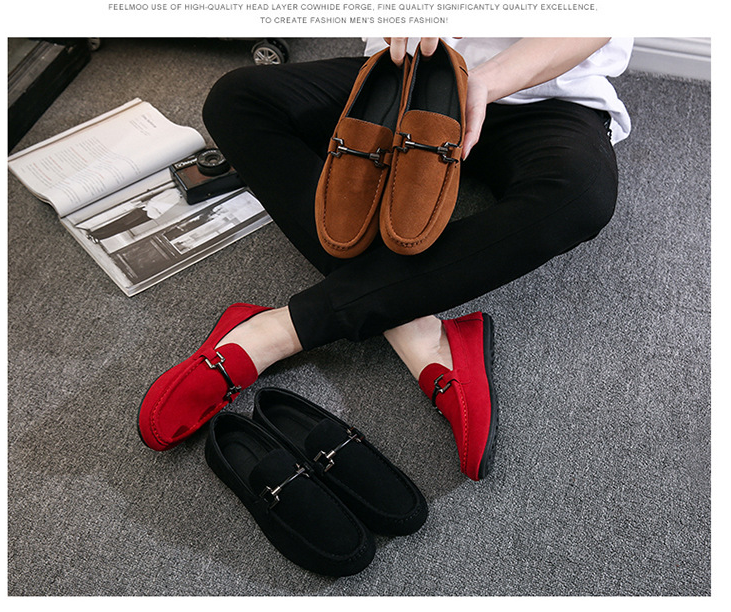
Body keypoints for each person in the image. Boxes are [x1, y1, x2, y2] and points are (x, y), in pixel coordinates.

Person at [138, 37, 633, 482]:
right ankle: (418, 332)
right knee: (238, 98)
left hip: (542, 97)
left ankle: (277, 332)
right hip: (412, 83)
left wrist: (480, 84)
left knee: (582, 195)